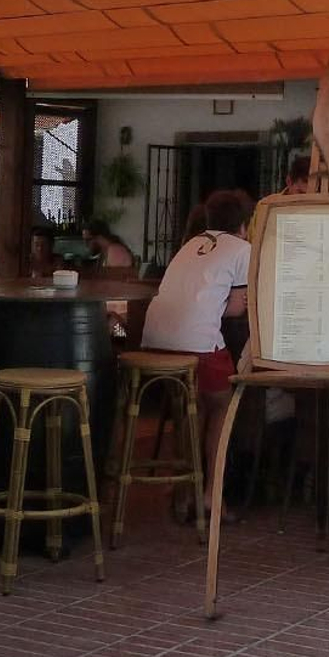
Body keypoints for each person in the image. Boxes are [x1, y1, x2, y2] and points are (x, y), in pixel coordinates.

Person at [141, 190, 251, 523]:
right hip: (196, 346)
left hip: (154, 343)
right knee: (222, 405)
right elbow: (235, 308)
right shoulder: (242, 248)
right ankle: (210, 496)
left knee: (191, 409)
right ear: (244, 225)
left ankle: (182, 494)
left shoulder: (190, 244)